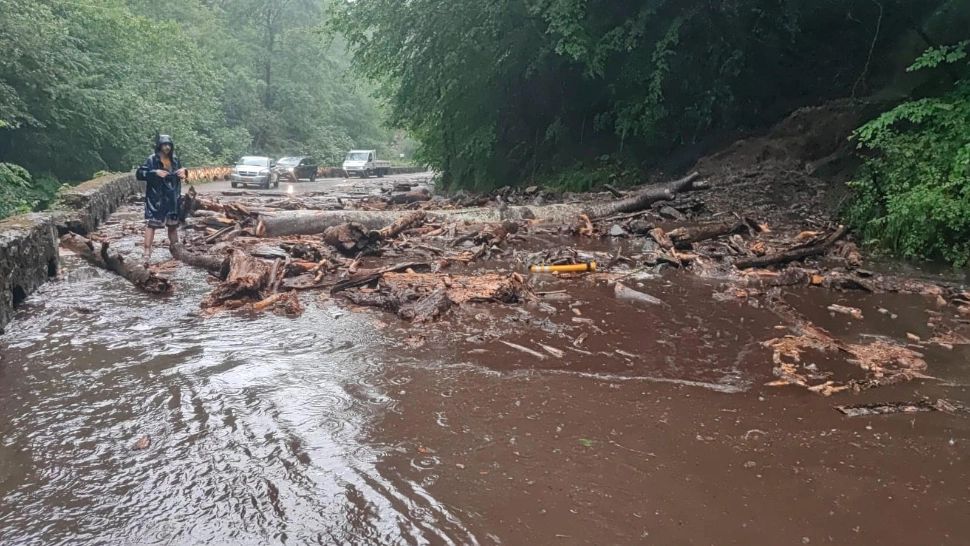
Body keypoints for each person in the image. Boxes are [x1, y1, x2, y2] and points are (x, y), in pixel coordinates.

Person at [135, 135, 187, 265]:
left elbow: (181, 175)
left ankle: (177, 251)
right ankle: (146, 253)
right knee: (152, 225)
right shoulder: (151, 159)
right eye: (164, 145)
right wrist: (154, 173)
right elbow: (139, 174)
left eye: (169, 145)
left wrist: (185, 172)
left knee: (173, 226)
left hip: (172, 198)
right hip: (156, 198)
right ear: (159, 146)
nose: (167, 147)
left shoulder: (175, 160)